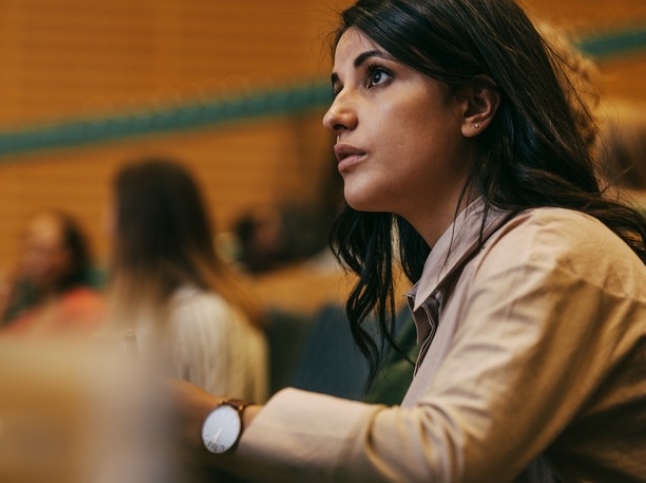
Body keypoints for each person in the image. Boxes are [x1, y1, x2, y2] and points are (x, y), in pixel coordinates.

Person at [173, 0, 646, 481]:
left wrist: (211, 419)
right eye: (337, 88)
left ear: (474, 106)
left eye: (375, 76)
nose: (333, 115)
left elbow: (444, 458)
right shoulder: (477, 264)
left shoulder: (547, 251)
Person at [106, 158, 268, 403]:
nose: (106, 226)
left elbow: (215, 435)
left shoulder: (203, 317)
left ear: (137, 226)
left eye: (113, 211)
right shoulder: (150, 311)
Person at [0, 209, 105, 338]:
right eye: (27, 246)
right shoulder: (26, 305)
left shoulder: (84, 306)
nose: (29, 258)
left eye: (41, 249)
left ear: (68, 257)